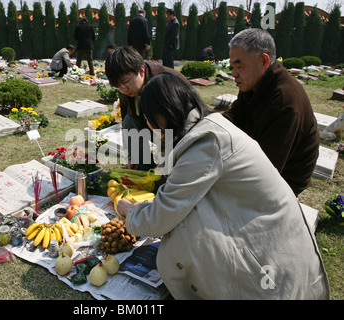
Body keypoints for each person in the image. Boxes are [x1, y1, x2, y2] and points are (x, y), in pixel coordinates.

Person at [117, 73, 330, 300]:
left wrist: (132, 213)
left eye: (150, 119)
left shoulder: (205, 144)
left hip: (270, 269)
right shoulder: (205, 129)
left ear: (164, 113)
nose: (148, 126)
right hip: (273, 245)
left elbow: (162, 217)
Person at [223, 28, 320, 196]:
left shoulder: (284, 102)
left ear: (263, 61)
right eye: (232, 67)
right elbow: (234, 116)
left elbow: (266, 170)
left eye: (239, 66)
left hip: (283, 183)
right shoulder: (254, 82)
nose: (234, 74)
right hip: (258, 155)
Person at [105, 46, 190, 170]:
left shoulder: (164, 83)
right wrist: (131, 155)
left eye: (126, 82)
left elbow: (172, 127)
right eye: (118, 86)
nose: (124, 90)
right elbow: (125, 122)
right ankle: (144, 168)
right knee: (129, 121)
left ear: (141, 71)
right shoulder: (126, 88)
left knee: (167, 174)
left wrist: (165, 159)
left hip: (181, 131)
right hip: (154, 127)